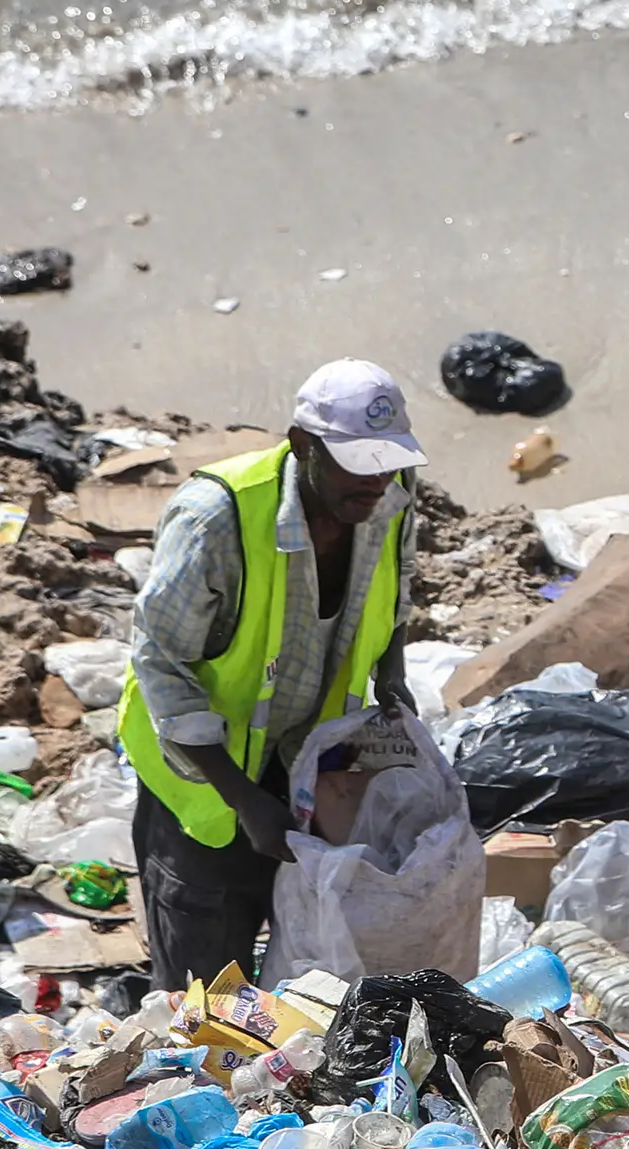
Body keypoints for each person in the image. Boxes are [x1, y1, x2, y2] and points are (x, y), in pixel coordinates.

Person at [116, 358, 429, 990]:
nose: (378, 481)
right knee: (203, 991)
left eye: (388, 460)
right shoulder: (217, 518)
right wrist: (244, 800)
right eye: (357, 462)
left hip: (305, 768)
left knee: (306, 970)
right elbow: (160, 660)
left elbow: (396, 595)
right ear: (302, 445)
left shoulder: (388, 497)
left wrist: (391, 677)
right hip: (205, 785)